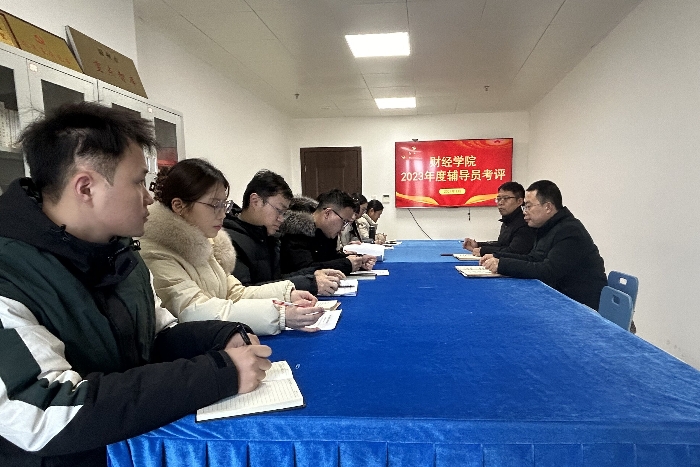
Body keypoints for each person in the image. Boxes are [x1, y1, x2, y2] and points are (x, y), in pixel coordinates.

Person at [0, 102, 272, 467]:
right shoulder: (10, 275)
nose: (149, 197)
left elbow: (156, 337)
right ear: (86, 187)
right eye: (138, 181)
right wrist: (218, 374)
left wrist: (219, 336)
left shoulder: (122, 255)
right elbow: (47, 412)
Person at [139, 159, 323, 336]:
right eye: (214, 205)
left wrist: (286, 295)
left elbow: (234, 292)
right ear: (179, 206)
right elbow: (192, 310)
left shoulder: (204, 243)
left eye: (224, 205)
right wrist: (279, 315)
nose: (222, 214)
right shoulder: (156, 252)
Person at [481, 180, 607, 310]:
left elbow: (548, 271)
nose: (524, 212)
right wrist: (498, 258)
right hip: (559, 297)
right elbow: (534, 258)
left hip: (581, 306)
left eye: (528, 206)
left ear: (548, 207)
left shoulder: (569, 230)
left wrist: (503, 265)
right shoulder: (547, 227)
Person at [224, 169, 344, 296]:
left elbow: (276, 280)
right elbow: (245, 294)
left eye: (284, 213)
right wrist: (310, 283)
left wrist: (313, 274)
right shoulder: (229, 240)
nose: (281, 219)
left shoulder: (269, 236)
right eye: (279, 210)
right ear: (255, 201)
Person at [279, 189, 376, 275]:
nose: (343, 228)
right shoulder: (295, 231)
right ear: (327, 213)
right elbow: (305, 269)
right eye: (344, 221)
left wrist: (358, 261)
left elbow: (329, 258)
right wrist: (347, 264)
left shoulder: (325, 231)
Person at [462, 181, 535, 256]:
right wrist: (477, 245)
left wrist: (483, 250)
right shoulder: (508, 220)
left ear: (519, 201)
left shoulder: (524, 224)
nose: (500, 203)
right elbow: (501, 245)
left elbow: (514, 251)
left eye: (506, 198)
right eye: (499, 199)